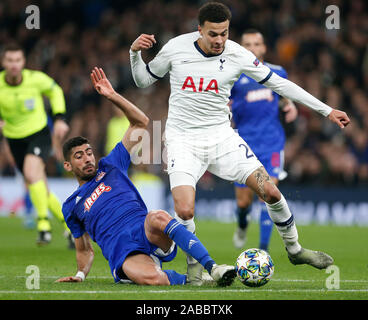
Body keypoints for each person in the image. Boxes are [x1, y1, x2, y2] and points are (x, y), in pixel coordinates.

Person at [129, 2, 350, 284]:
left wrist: (326, 110)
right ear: (199, 30)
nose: (219, 40)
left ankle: (295, 250)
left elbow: (280, 85)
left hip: (223, 138)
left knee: (269, 190)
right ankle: (194, 267)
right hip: (183, 140)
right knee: (184, 210)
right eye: (213, 34)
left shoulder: (237, 54)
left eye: (224, 33)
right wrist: (135, 53)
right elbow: (143, 81)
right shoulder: (176, 48)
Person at [56, 67, 236, 286]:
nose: (87, 159)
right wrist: (80, 274)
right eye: (78, 156)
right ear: (67, 165)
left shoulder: (111, 164)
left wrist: (112, 96)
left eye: (89, 153)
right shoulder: (71, 206)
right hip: (123, 252)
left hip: (146, 230)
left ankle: (212, 267)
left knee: (158, 216)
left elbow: (140, 123)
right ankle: (195, 280)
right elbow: (84, 249)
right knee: (153, 278)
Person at [230, 29, 298, 252]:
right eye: (247, 44)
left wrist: (289, 105)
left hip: (271, 144)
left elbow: (284, 97)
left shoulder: (278, 72)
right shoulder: (232, 77)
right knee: (243, 202)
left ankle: (262, 250)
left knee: (267, 196)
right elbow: (224, 105)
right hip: (244, 144)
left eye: (256, 44)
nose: (252, 48)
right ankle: (242, 224)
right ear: (241, 49)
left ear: (264, 48)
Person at [0, 43, 73, 247]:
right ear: (4, 62)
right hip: (14, 140)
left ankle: (43, 226)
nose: (14, 65)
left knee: (32, 174)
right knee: (38, 183)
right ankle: (70, 229)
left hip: (38, 134)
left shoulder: (35, 79)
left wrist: (59, 118)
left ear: (23, 62)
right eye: (10, 60)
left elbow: (56, 91)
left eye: (17, 60)